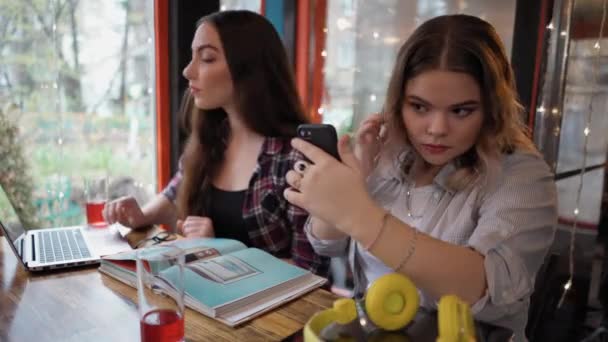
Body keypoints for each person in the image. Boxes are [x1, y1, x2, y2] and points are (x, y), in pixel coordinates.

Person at [283, 14, 557, 340]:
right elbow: (326, 244)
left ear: (491, 108)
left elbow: (485, 286)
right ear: (399, 102)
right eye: (419, 107)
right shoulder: (389, 153)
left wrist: (361, 214)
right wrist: (350, 185)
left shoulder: (522, 176)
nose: (437, 129)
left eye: (460, 111)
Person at [103, 10, 329, 276]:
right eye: (192, 57)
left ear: (249, 69)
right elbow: (175, 196)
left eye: (207, 58)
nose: (188, 71)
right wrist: (142, 216)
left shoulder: (296, 159)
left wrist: (222, 252)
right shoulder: (211, 140)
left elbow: (311, 270)